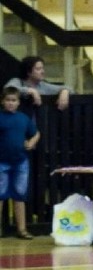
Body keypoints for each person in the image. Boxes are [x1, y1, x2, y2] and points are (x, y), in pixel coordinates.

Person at [0, 87, 40, 239]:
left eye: (14, 100)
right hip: (1, 161)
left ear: (18, 102)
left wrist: (32, 141)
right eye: (8, 100)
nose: (10, 103)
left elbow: (36, 132)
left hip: (21, 161)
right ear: (2, 101)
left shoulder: (23, 118)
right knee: (0, 195)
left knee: (20, 195)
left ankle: (22, 229)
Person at [4, 56, 72, 117]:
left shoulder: (43, 85)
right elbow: (8, 89)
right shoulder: (17, 81)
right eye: (38, 69)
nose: (43, 71)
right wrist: (30, 90)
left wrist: (65, 92)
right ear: (28, 72)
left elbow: (69, 88)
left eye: (42, 68)